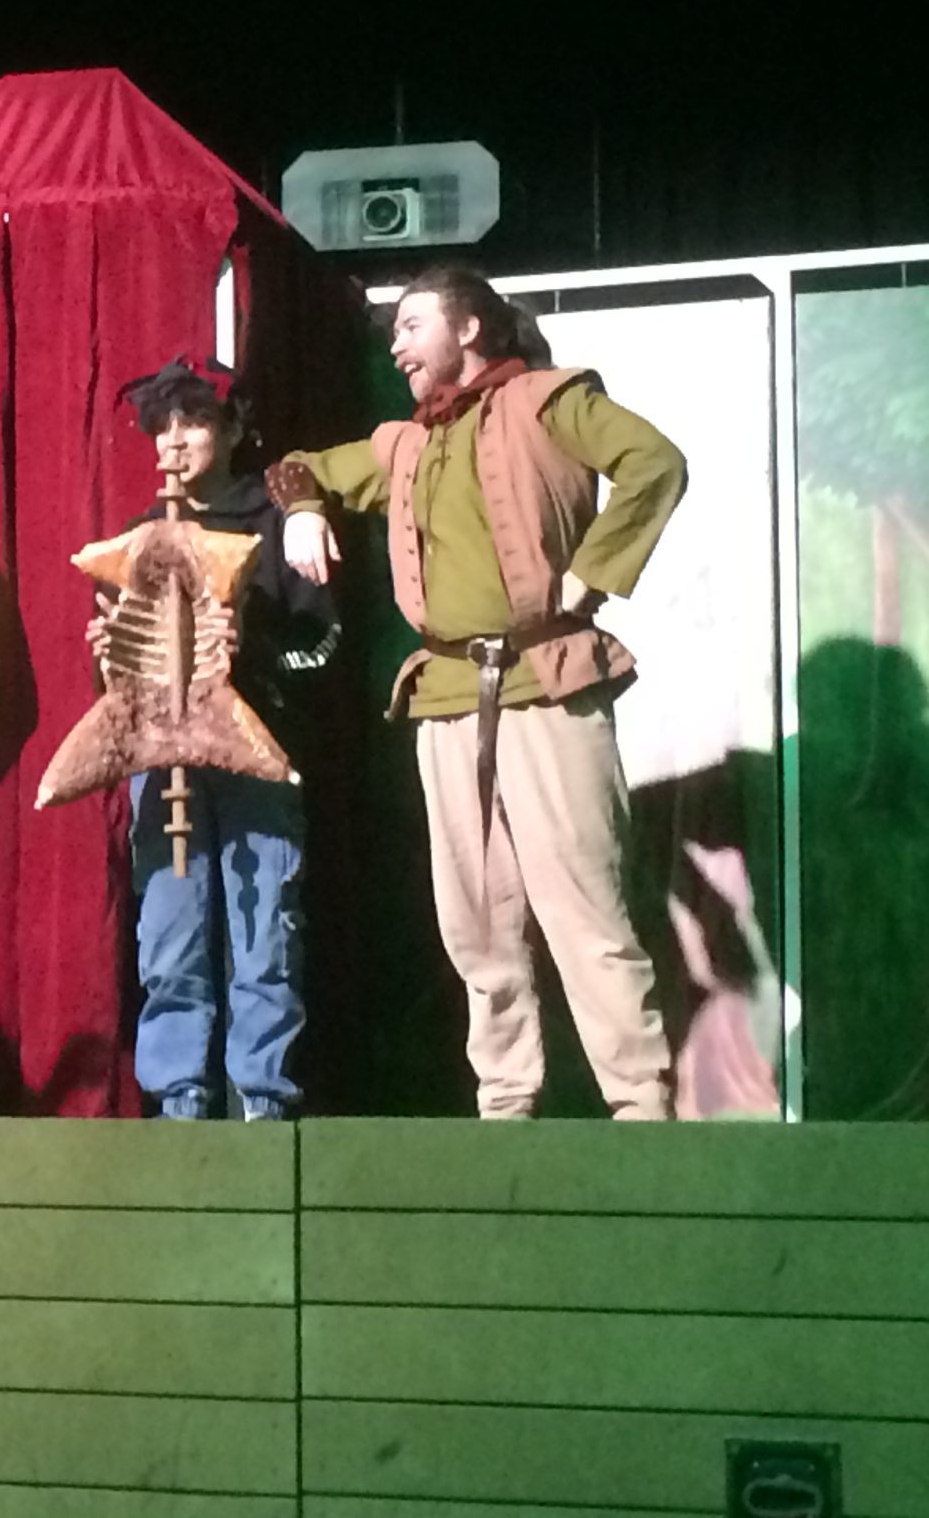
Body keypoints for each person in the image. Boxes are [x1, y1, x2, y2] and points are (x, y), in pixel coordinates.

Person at [273, 264, 685, 1120]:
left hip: (547, 684)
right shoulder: (407, 444)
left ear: (467, 328)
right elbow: (299, 468)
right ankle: (505, 1102)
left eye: (412, 324)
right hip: (447, 698)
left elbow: (655, 463)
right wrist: (304, 507)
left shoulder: (548, 401)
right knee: (477, 920)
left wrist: (593, 573)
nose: (396, 344)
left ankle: (641, 1106)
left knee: (584, 908)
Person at [92, 361, 337, 1121]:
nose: (175, 441)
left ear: (231, 431)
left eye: (194, 422)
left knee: (265, 920)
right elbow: (122, 672)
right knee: (169, 926)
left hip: (255, 748)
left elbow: (323, 646)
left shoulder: (277, 520)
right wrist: (113, 654)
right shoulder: (140, 537)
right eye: (161, 426)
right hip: (164, 757)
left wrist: (248, 643)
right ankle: (180, 1095)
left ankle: (262, 1095)